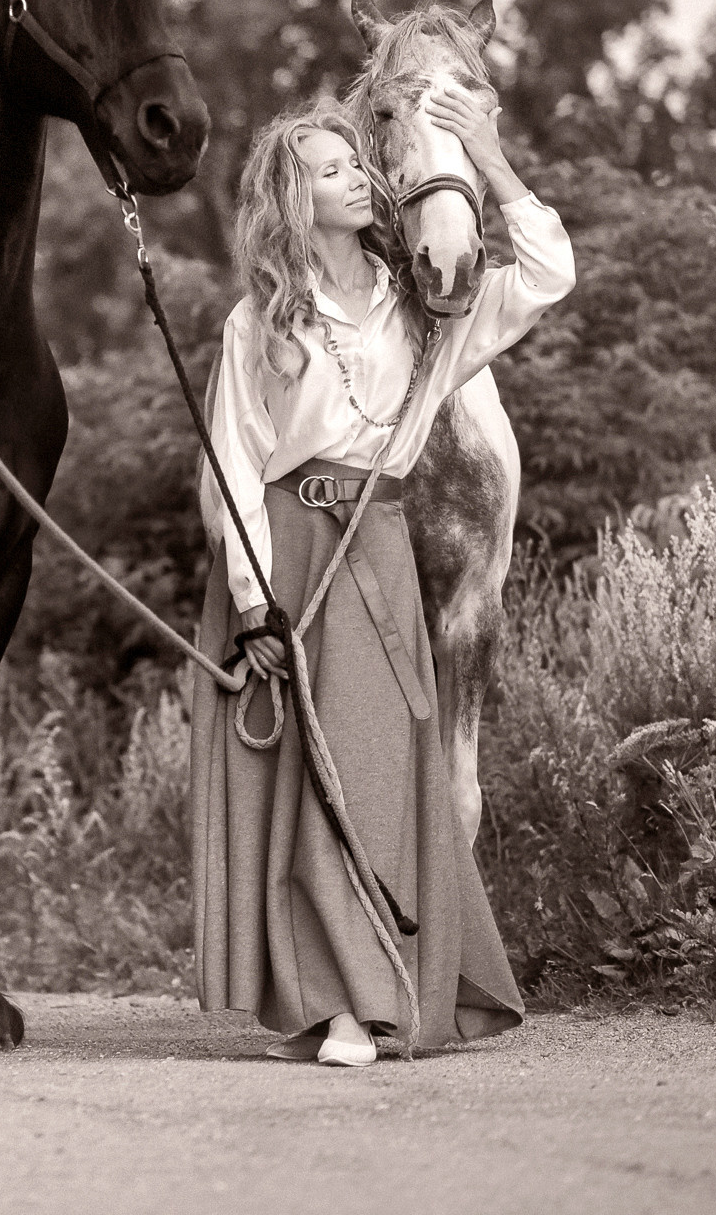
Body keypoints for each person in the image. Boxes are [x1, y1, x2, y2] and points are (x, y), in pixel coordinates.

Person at [190, 83, 574, 1065]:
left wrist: (489, 158)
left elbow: (545, 275)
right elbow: (235, 461)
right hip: (287, 555)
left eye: (354, 163)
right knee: (307, 782)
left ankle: (373, 999)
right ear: (292, 197)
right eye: (330, 169)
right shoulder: (260, 320)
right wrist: (252, 602)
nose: (356, 176)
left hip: (376, 547)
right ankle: (339, 1007)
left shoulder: (425, 310)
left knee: (368, 774)